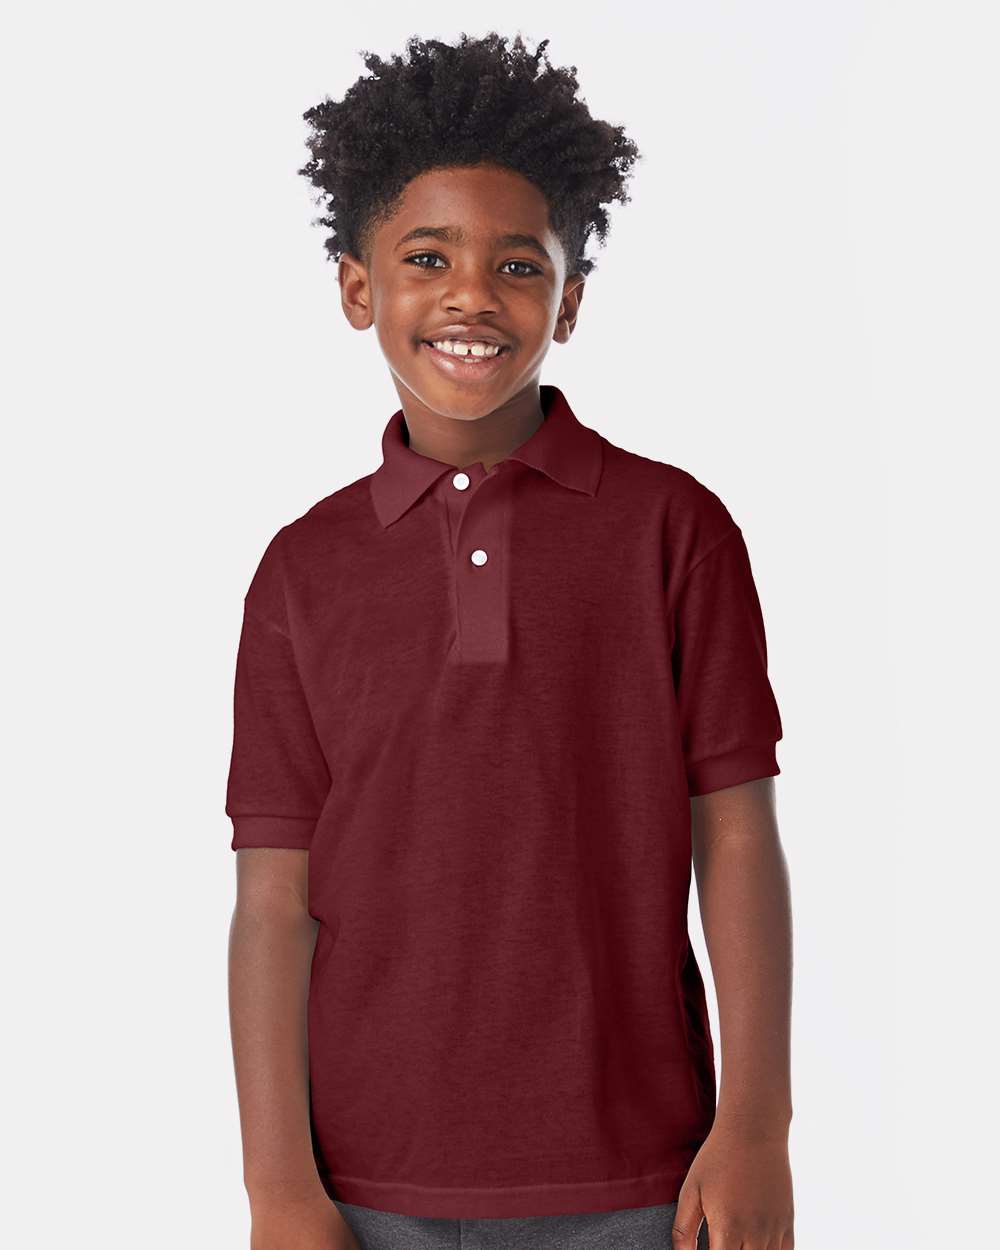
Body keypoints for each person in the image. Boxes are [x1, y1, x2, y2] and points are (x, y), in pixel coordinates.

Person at [226, 31, 794, 1250]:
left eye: (518, 264)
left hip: (639, 1175)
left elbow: (737, 834)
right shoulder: (301, 569)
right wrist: (277, 1185)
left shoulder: (672, 529)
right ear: (358, 288)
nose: (471, 296)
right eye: (427, 257)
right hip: (366, 1181)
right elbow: (273, 900)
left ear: (568, 300)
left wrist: (756, 1124)